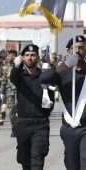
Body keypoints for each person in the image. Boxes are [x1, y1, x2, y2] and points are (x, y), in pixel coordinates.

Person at [40, 35, 86, 170]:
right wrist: (65, 65)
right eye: (74, 48)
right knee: (72, 165)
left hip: (85, 127)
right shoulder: (63, 72)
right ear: (69, 51)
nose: (78, 51)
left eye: (82, 48)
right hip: (69, 128)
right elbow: (44, 78)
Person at [10, 44, 55, 170]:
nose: (30, 58)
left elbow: (51, 97)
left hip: (40, 124)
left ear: (38, 57)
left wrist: (47, 107)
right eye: (27, 55)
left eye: (33, 55)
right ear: (23, 58)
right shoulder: (19, 77)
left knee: (37, 160)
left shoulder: (45, 76)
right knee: (25, 162)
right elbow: (12, 77)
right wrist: (16, 65)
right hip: (23, 124)